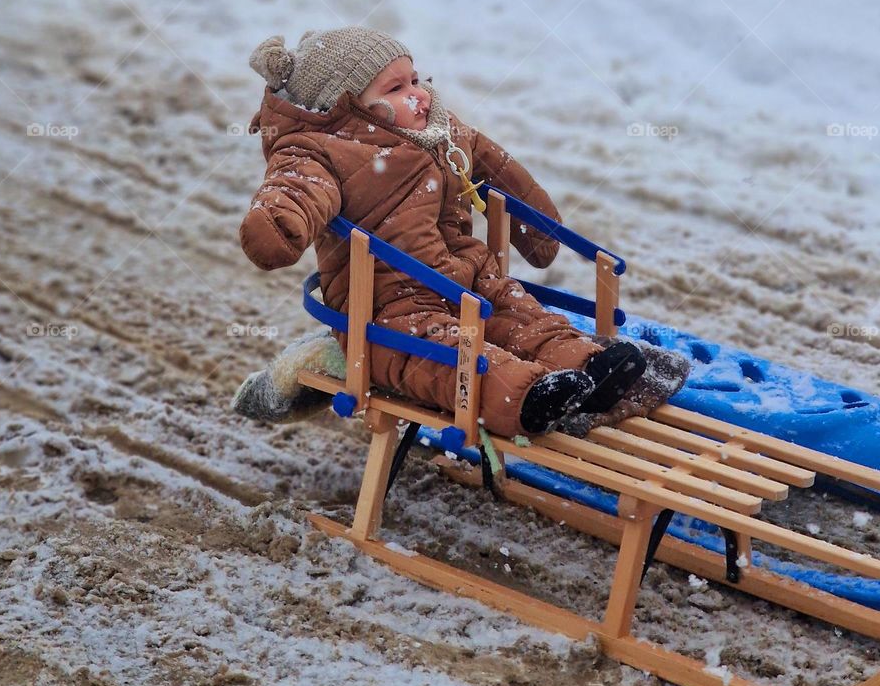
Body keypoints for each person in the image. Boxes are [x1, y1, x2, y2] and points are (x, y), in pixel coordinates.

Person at [238, 25, 647, 438]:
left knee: (519, 313)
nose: (418, 94)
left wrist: (540, 231)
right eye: (396, 88)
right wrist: (278, 223)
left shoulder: (441, 130)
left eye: (415, 79)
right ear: (344, 107)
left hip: (469, 278)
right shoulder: (320, 150)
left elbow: (500, 170)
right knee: (442, 356)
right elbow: (295, 188)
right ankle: (525, 397)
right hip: (389, 303)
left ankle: (587, 365)